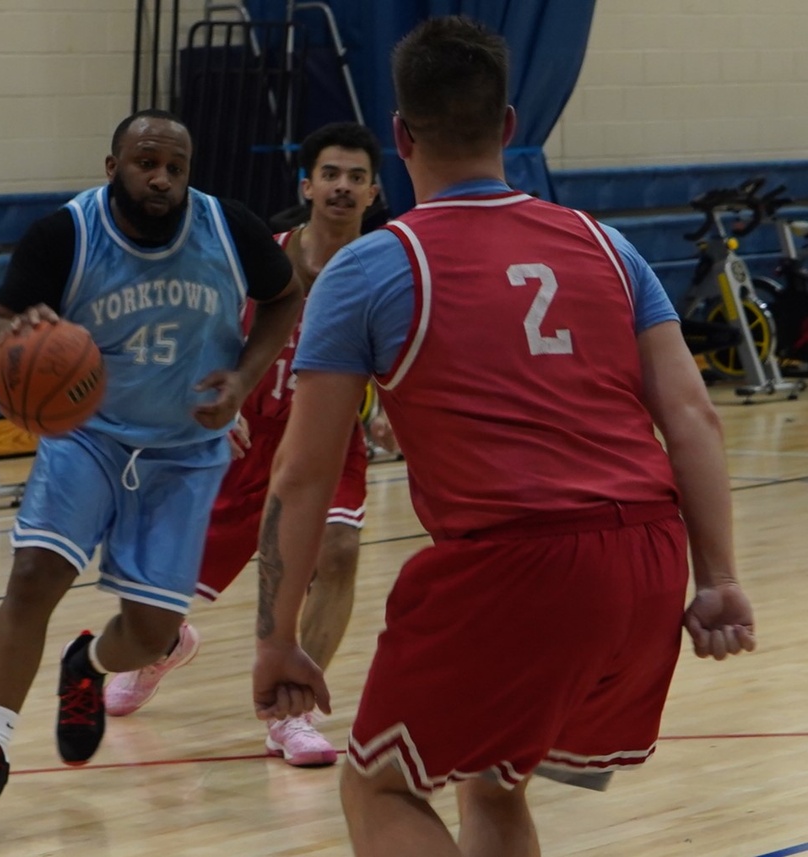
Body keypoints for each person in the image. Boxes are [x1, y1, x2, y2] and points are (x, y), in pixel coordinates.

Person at [251, 15, 756, 857]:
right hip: (648, 559)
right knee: (493, 773)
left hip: (515, 563)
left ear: (401, 135)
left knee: (379, 785)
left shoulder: (373, 266)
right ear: (511, 127)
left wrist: (275, 637)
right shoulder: (609, 244)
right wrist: (720, 579)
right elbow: (695, 418)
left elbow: (303, 474)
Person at [0, 108, 303, 834]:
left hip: (184, 449)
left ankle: (90, 662)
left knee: (152, 630)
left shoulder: (229, 228)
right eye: (145, 164)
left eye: (174, 167)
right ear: (114, 168)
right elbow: (3, 321)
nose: (160, 178)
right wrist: (16, 349)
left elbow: (285, 297)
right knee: (35, 575)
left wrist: (244, 378)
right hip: (88, 436)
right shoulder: (66, 234)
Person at [102, 121, 396, 767]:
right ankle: (166, 643)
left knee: (338, 552)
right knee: (165, 593)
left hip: (324, 439)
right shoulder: (261, 254)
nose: (342, 187)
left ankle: (292, 709)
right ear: (307, 185)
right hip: (245, 436)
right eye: (331, 174)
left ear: (374, 192)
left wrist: (392, 410)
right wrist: (217, 399)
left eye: (355, 177)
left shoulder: (383, 269)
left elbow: (402, 353)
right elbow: (198, 328)